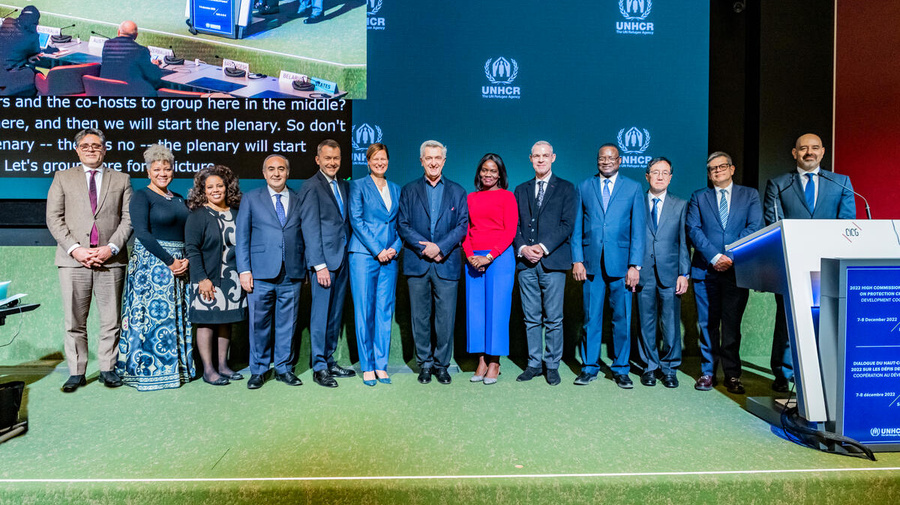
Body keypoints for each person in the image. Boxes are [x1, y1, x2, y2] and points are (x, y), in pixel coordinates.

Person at [763, 133, 856, 392]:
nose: (809, 152)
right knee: (787, 320)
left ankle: (821, 372)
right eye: (803, 148)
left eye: (814, 148)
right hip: (791, 265)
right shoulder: (779, 184)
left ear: (823, 152)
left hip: (828, 266)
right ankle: (784, 373)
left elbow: (847, 224)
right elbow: (773, 224)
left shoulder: (841, 183)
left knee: (825, 319)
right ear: (795, 153)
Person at [45, 128, 132, 393]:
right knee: (74, 321)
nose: (91, 150)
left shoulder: (122, 179)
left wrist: (111, 248)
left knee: (111, 320)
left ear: (104, 149)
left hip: (110, 260)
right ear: (77, 150)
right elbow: (54, 218)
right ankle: (77, 372)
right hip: (73, 261)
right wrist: (76, 250)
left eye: (96, 146)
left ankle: (107, 368)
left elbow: (128, 218)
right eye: (85, 146)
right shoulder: (62, 177)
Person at [116, 144, 193, 391]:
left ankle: (177, 370)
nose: (162, 173)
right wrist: (170, 261)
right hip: (152, 267)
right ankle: (149, 372)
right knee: (151, 320)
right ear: (148, 172)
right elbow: (142, 234)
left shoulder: (179, 198)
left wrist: (186, 259)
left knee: (177, 317)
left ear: (173, 171)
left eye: (167, 169)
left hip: (180, 266)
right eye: (157, 169)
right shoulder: (142, 196)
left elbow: (187, 232)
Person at [571, 143, 645, 389]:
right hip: (591, 265)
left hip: (622, 266)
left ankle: (621, 369)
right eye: (602, 158)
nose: (606, 161)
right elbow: (577, 227)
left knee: (622, 319)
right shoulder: (584, 186)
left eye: (611, 158)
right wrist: (577, 259)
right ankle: (589, 367)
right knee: (591, 318)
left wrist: (635, 265)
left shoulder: (633, 187)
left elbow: (638, 231)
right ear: (597, 160)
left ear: (619, 160)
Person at [687, 152, 762, 394]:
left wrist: (729, 256)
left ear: (732, 169)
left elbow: (754, 227)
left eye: (722, 166)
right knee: (707, 324)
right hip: (705, 271)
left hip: (736, 270)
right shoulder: (699, 197)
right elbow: (693, 229)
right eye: (712, 168)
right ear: (709, 174)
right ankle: (707, 372)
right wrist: (715, 257)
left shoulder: (750, 195)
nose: (717, 171)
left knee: (731, 325)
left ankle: (732, 375)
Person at [398, 140, 468, 385]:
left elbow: (462, 226)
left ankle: (442, 366)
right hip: (418, 263)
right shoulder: (409, 190)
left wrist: (440, 247)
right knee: (419, 318)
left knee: (445, 319)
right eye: (429, 158)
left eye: (438, 158)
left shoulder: (458, 191)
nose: (434, 162)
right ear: (421, 161)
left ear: (444, 161)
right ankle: (425, 365)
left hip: (446, 263)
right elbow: (403, 225)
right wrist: (426, 248)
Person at [236, 155, 305, 389]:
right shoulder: (251, 198)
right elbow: (242, 237)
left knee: (288, 324)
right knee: (259, 324)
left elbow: (304, 235)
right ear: (264, 173)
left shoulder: (298, 198)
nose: (277, 173)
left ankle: (284, 368)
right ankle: (259, 370)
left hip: (292, 273)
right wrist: (244, 270)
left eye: (281, 169)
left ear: (288, 172)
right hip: (259, 273)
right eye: (272, 169)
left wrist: (305, 268)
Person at [512, 141, 575, 386]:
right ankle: (534, 364)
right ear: (530, 159)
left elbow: (567, 224)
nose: (540, 160)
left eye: (545, 155)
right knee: (531, 317)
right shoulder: (521, 189)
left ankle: (552, 365)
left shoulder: (566, 188)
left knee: (554, 318)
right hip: (526, 264)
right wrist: (523, 248)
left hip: (553, 262)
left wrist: (542, 247)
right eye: (536, 156)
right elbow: (515, 226)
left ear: (553, 158)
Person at [298, 139, 356, 388]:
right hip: (324, 264)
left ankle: (330, 361)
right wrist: (318, 264)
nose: (332, 162)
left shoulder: (343, 185)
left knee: (335, 315)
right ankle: (319, 367)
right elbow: (309, 228)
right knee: (321, 316)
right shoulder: (311, 187)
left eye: (336, 158)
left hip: (342, 260)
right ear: (317, 160)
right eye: (327, 158)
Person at [184, 165, 247, 386]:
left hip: (232, 279)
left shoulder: (237, 213)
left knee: (225, 321)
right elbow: (192, 249)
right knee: (206, 323)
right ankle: (209, 370)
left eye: (219, 185)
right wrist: (202, 279)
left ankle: (223, 366)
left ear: (227, 187)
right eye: (210, 187)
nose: (215, 190)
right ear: (203, 191)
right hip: (207, 279)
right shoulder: (198, 216)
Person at [348, 143, 401, 386]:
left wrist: (395, 248)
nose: (380, 162)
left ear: (388, 161)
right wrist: (378, 250)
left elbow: (401, 223)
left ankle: (381, 365)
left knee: (384, 311)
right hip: (364, 256)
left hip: (390, 258)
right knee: (364, 311)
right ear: (368, 162)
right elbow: (356, 220)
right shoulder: (358, 186)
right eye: (375, 159)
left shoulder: (396, 189)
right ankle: (367, 365)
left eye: (383, 158)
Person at [463, 153, 517, 385]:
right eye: (484, 170)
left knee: (497, 310)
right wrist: (470, 256)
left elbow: (510, 231)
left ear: (500, 174)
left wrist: (489, 257)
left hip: (499, 259)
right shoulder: (471, 198)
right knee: (476, 311)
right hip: (474, 259)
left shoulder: (507, 197)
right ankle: (481, 361)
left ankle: (495, 362)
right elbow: (465, 230)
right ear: (479, 172)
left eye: (493, 171)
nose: (488, 174)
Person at [636, 157, 690, 389]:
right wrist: (632, 267)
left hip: (671, 273)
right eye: (655, 172)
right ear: (647, 176)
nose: (660, 176)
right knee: (646, 322)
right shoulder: (636, 202)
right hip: (643, 273)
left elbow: (684, 242)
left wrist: (684, 273)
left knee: (670, 324)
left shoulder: (681, 205)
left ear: (670, 177)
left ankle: (669, 368)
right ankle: (649, 366)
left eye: (664, 172)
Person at [99, 21, 163, 96]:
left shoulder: (108, 44)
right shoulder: (141, 50)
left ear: (118, 32)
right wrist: (155, 66)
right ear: (136, 36)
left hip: (105, 90)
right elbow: (153, 76)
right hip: (129, 93)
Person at [0, 6, 40, 96]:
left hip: (4, 70)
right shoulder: (31, 37)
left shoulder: (7, 22)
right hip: (9, 73)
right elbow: (35, 52)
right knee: (37, 76)